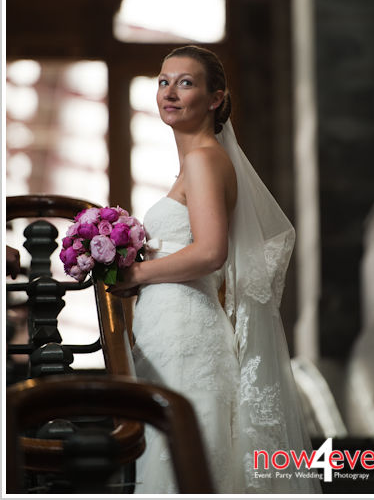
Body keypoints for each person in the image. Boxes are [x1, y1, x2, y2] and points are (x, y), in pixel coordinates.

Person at [109, 46, 322, 494]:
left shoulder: (204, 159)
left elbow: (211, 253)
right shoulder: (194, 163)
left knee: (182, 458)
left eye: (185, 83)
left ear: (215, 99)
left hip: (187, 332)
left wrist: (135, 275)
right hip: (170, 327)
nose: (170, 92)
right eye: (164, 81)